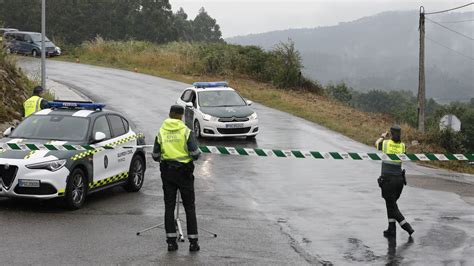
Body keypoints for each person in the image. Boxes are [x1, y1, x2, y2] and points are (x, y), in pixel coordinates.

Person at [152, 105, 201, 252]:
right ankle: (193, 242)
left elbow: (155, 156)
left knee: (169, 206)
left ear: (169, 114)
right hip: (185, 173)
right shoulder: (186, 131)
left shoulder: (161, 131)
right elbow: (195, 153)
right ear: (181, 116)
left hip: (167, 172)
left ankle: (171, 242)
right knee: (189, 207)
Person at [375, 125, 414, 237]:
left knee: (392, 206)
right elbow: (404, 155)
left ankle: (407, 226)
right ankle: (391, 228)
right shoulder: (402, 146)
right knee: (390, 204)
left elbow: (377, 144)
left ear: (391, 134)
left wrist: (382, 136)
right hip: (399, 181)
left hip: (388, 181)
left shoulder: (386, 143)